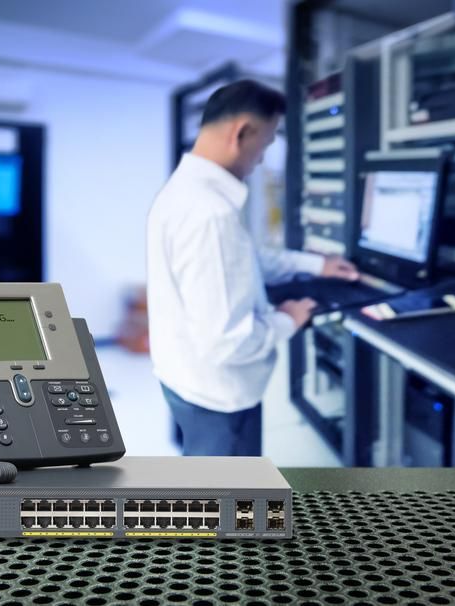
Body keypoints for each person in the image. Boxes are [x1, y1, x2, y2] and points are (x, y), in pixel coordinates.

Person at [146, 79, 359, 456]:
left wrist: (315, 265)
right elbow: (227, 341)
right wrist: (288, 320)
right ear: (242, 133)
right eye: (269, 138)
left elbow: (247, 259)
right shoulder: (209, 213)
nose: (264, 156)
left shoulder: (184, 192)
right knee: (228, 504)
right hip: (218, 396)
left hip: (185, 377)